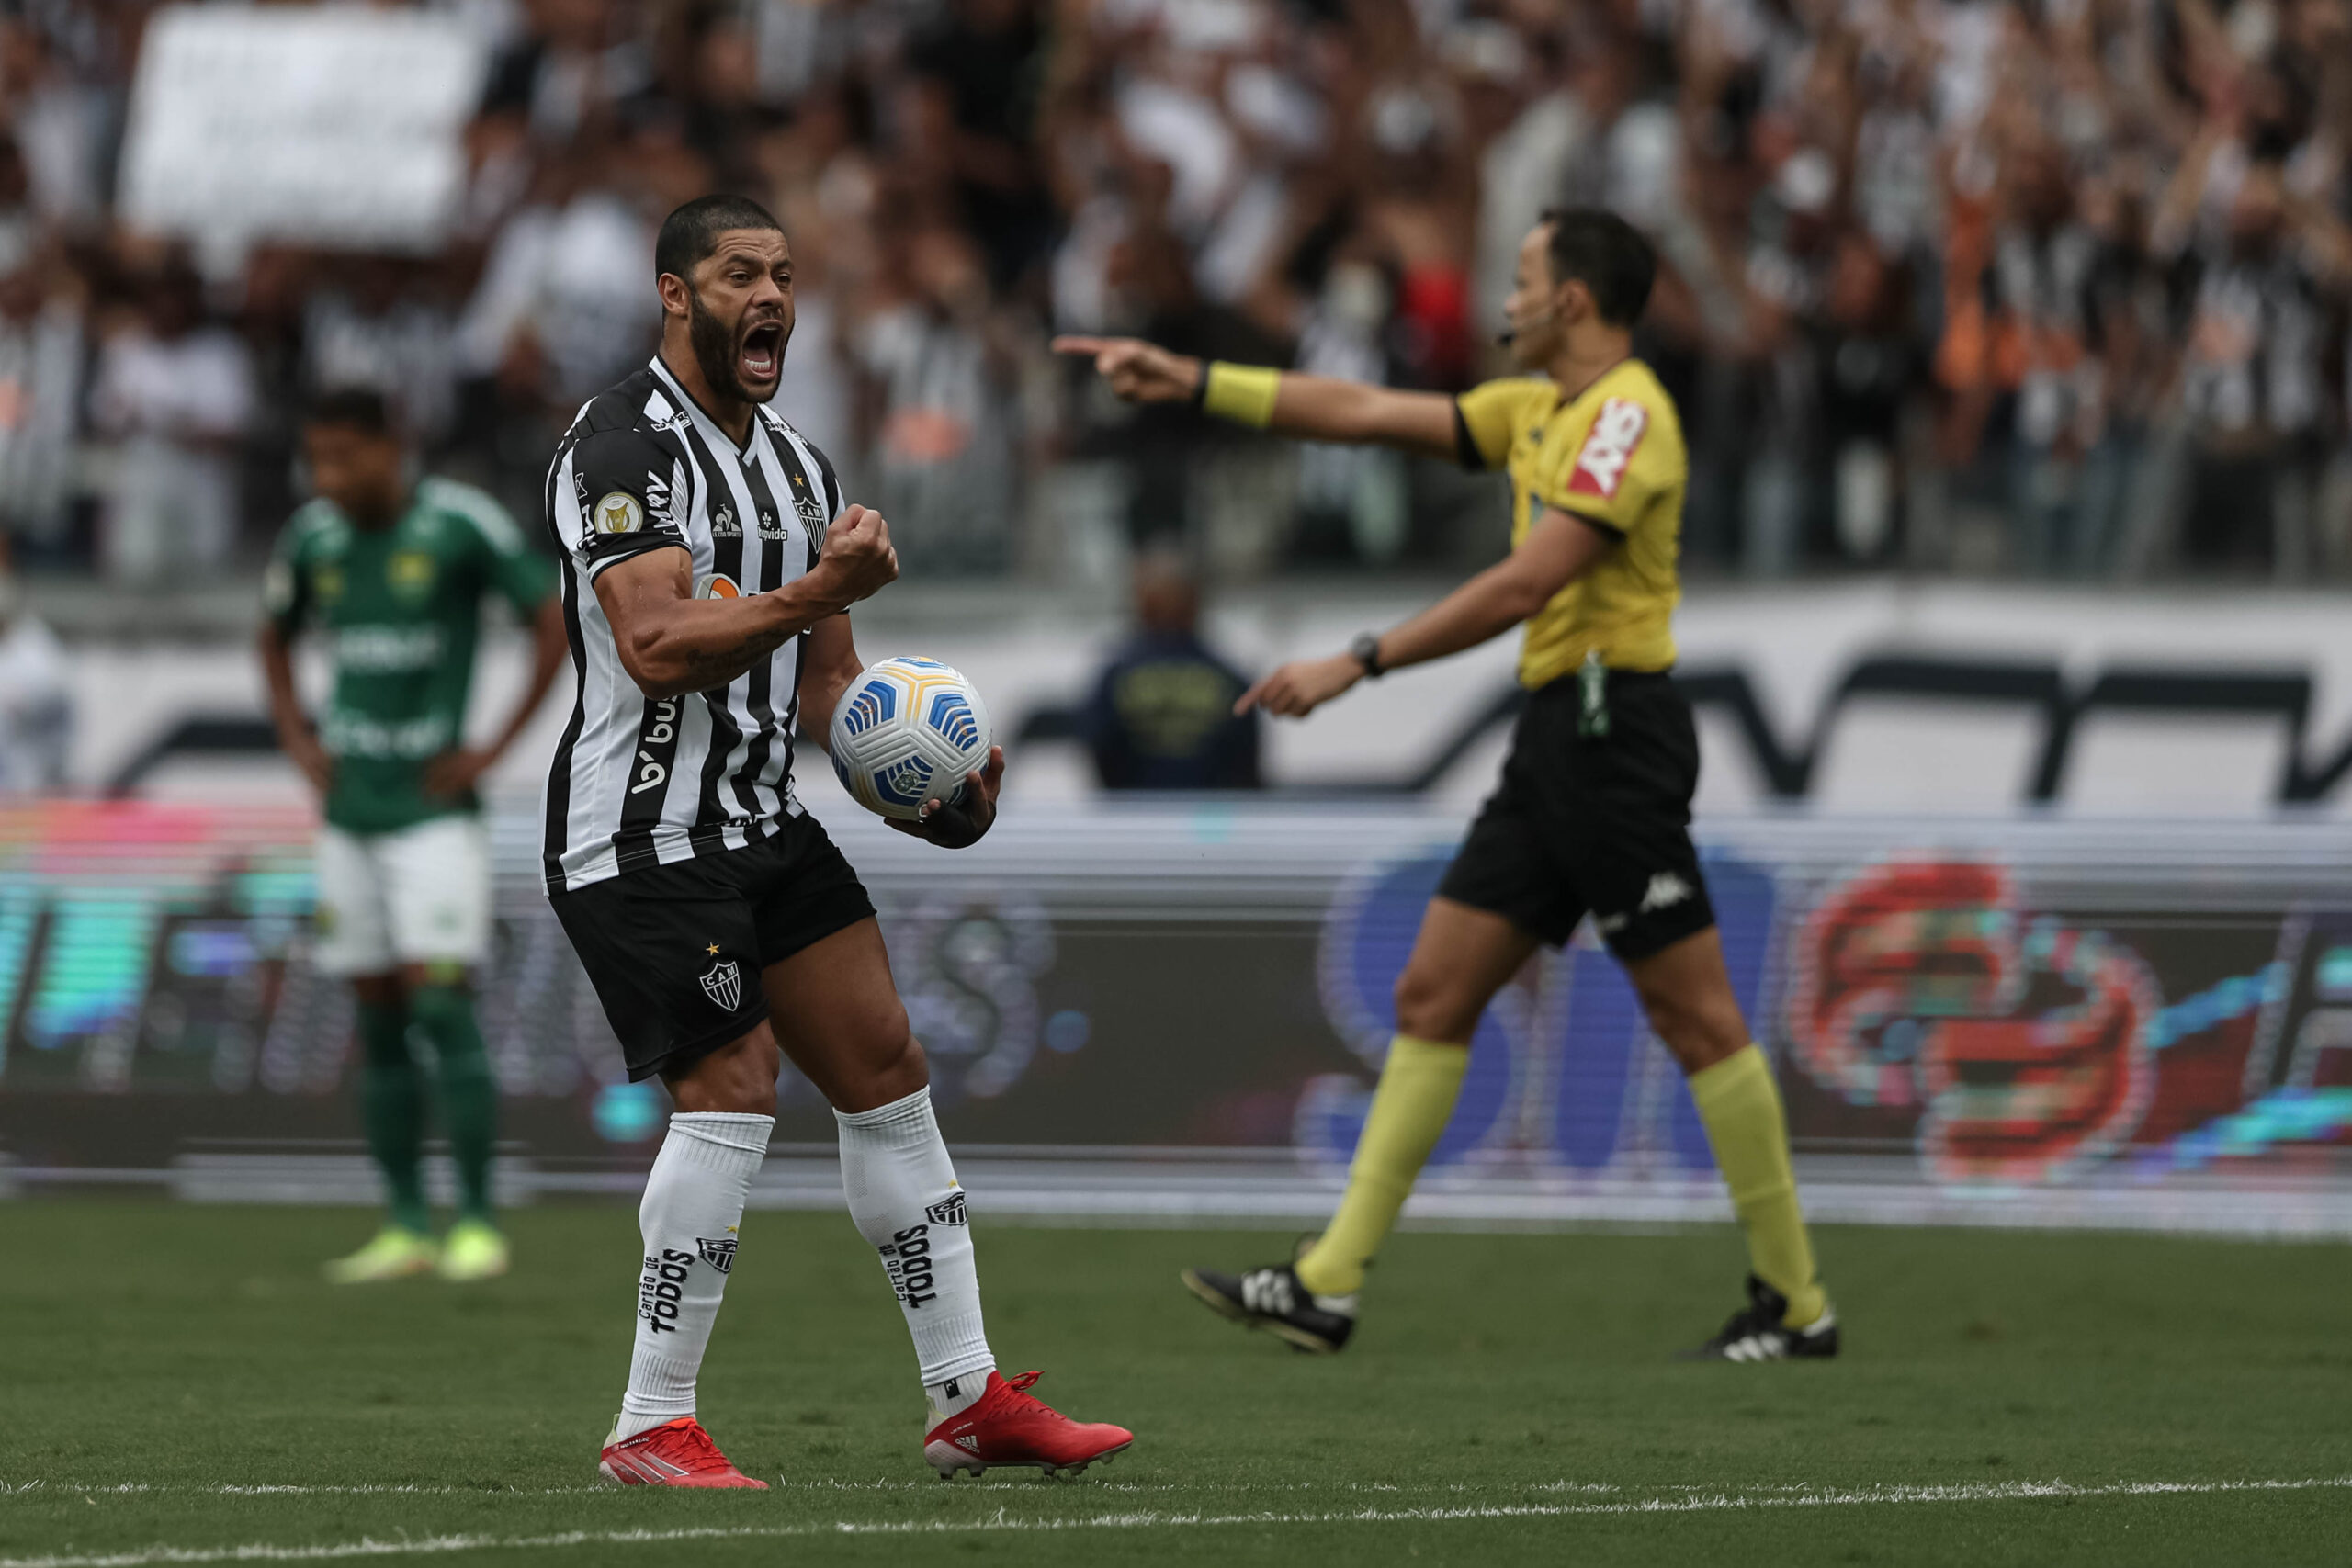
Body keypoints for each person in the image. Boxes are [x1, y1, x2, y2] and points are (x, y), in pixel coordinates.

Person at [1057, 208, 1837, 1362]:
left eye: (1522, 279)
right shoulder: (1540, 410)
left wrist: (1357, 661)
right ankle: (1326, 1284)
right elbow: (1363, 411)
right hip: (1554, 741)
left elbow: (1530, 580)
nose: (1504, 298)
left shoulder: (1628, 416)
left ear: (1574, 300)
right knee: (1433, 993)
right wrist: (1194, 380)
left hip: (1613, 736)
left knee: (1697, 1016)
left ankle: (1797, 1304)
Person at [543, 194, 1132, 1488]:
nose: (771, 295)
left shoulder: (803, 468)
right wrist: (820, 588)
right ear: (675, 295)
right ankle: (651, 1421)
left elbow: (827, 695)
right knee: (732, 1085)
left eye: (786, 276)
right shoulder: (621, 444)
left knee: (886, 1062)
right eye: (739, 272)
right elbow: (652, 645)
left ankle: (968, 1396)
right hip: (641, 835)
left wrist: (925, 793)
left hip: (762, 820)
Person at [260, 388, 567, 1284]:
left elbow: (548, 619)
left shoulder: (458, 525)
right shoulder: (312, 539)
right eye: (317, 458)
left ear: (393, 445)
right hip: (350, 810)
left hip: (434, 813)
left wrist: (495, 747)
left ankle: (474, 1221)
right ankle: (403, 1223)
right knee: (378, 1014)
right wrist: (295, 734)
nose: (329, 476)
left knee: (439, 1001)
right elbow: (273, 638)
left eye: (345, 455)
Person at [1082, 551, 1261, 791]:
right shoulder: (1231, 679)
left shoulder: (1114, 678)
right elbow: (1245, 767)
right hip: (1211, 821)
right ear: (1195, 604)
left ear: (1141, 604)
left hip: (1133, 819)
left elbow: (1100, 751)